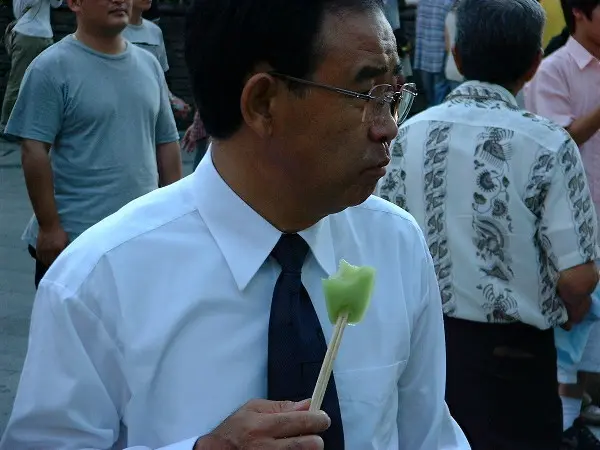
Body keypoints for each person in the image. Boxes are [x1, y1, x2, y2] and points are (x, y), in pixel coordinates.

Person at [0, 0, 471, 449]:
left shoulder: (394, 244)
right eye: (367, 95)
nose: (388, 127)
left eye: (394, 96)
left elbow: (427, 434)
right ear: (263, 103)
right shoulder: (99, 281)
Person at [376, 0, 599, 448]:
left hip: (420, 352)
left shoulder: (406, 135)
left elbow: (379, 241)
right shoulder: (548, 144)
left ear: (455, 55)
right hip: (515, 360)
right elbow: (578, 278)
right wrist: (571, 313)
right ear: (535, 65)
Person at [4, 0, 182, 290]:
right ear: (74, 3)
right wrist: (49, 227)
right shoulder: (51, 67)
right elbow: (33, 149)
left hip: (139, 237)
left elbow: (167, 143)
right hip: (76, 241)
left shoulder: (148, 65)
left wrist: (173, 215)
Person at [525, 0, 600, 443]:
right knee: (571, 329)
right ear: (579, 13)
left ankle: (581, 411)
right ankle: (568, 426)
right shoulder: (554, 70)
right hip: (577, 224)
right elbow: (559, 140)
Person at [1, 0, 62, 139]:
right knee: (18, 81)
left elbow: (56, 4)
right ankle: (6, 125)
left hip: (46, 35)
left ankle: (38, 125)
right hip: (27, 34)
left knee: (45, 84)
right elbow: (22, 8)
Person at [121, 0, 191, 118]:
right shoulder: (113, 31)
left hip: (152, 112)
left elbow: (159, 76)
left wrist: (171, 100)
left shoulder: (155, 31)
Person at [414, 0, 455, 106]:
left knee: (429, 91)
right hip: (441, 52)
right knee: (440, 89)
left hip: (424, 53)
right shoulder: (449, 3)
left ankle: (429, 111)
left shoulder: (423, 2)